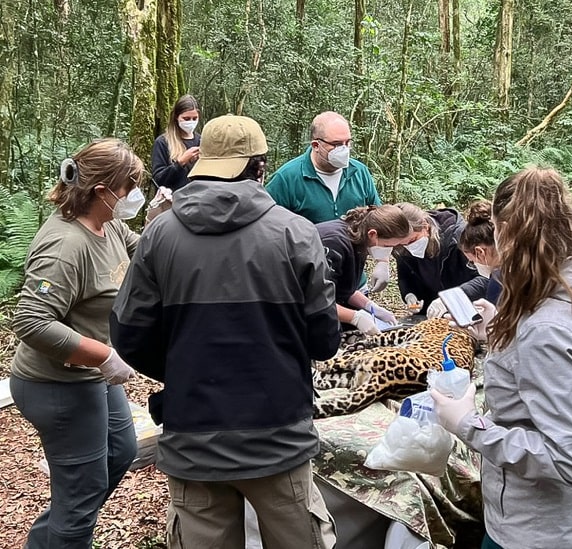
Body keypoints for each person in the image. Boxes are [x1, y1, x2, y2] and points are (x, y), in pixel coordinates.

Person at [110, 115, 339, 549]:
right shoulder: (295, 233)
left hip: (193, 437)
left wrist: (188, 368)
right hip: (279, 438)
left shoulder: (160, 234)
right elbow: (324, 339)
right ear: (259, 167)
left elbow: (129, 333)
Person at [430, 167, 572, 549]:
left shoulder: (547, 330)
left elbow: (571, 460)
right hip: (528, 516)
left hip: (540, 530)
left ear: (504, 233)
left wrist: (467, 425)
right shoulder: (570, 284)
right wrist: (501, 331)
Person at [10, 138, 145, 548]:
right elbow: (30, 321)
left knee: (119, 454)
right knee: (82, 494)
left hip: (93, 378)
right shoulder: (66, 246)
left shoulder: (109, 224)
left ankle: (45, 542)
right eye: (130, 186)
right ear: (103, 191)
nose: (135, 194)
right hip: (57, 385)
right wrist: (104, 355)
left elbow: (146, 253)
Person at [265, 111, 388, 291]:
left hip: (354, 285)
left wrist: (382, 261)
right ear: (316, 145)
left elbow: (378, 222)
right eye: (337, 144)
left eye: (348, 142)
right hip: (307, 286)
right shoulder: (286, 179)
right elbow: (268, 233)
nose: (344, 149)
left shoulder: (359, 173)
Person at [317, 205, 413, 336]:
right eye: (387, 246)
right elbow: (317, 300)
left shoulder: (358, 241)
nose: (388, 252)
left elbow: (344, 290)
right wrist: (355, 317)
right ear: (373, 234)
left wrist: (371, 306)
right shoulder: (334, 244)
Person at [393, 202, 488, 316]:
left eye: (412, 240)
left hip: (469, 310)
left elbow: (485, 279)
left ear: (425, 225)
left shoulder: (459, 237)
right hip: (432, 315)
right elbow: (405, 276)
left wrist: (451, 298)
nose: (409, 246)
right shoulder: (402, 248)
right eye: (403, 244)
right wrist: (409, 294)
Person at [151, 94, 201, 192]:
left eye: (194, 118)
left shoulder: (201, 140)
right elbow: (158, 180)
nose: (191, 122)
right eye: (186, 119)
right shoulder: (163, 142)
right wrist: (180, 162)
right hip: (174, 201)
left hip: (198, 200)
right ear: (176, 117)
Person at [457, 199, 502, 304]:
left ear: (480, 252)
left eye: (472, 262)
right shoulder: (525, 267)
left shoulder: (497, 282)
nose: (474, 265)